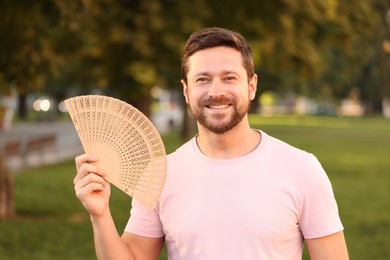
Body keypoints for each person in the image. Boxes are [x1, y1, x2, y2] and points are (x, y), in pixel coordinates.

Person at [74, 27, 349, 259]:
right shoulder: (160, 174)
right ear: (186, 90)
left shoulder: (301, 168)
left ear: (251, 86)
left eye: (229, 78)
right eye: (203, 79)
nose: (216, 92)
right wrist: (100, 215)